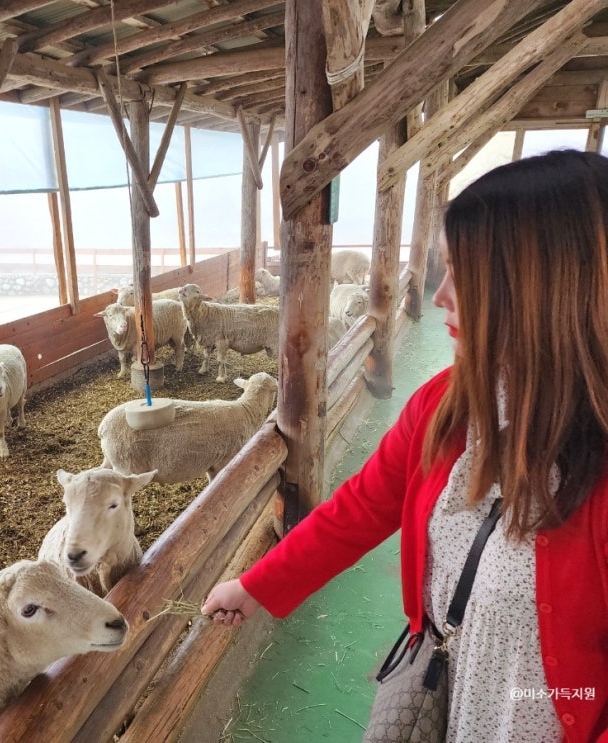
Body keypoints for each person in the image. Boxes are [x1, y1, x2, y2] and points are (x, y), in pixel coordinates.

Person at [201, 149, 608, 743]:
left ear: (540, 291)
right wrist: (258, 585)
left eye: (465, 279)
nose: (441, 296)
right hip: (445, 690)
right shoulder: (447, 406)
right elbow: (363, 507)